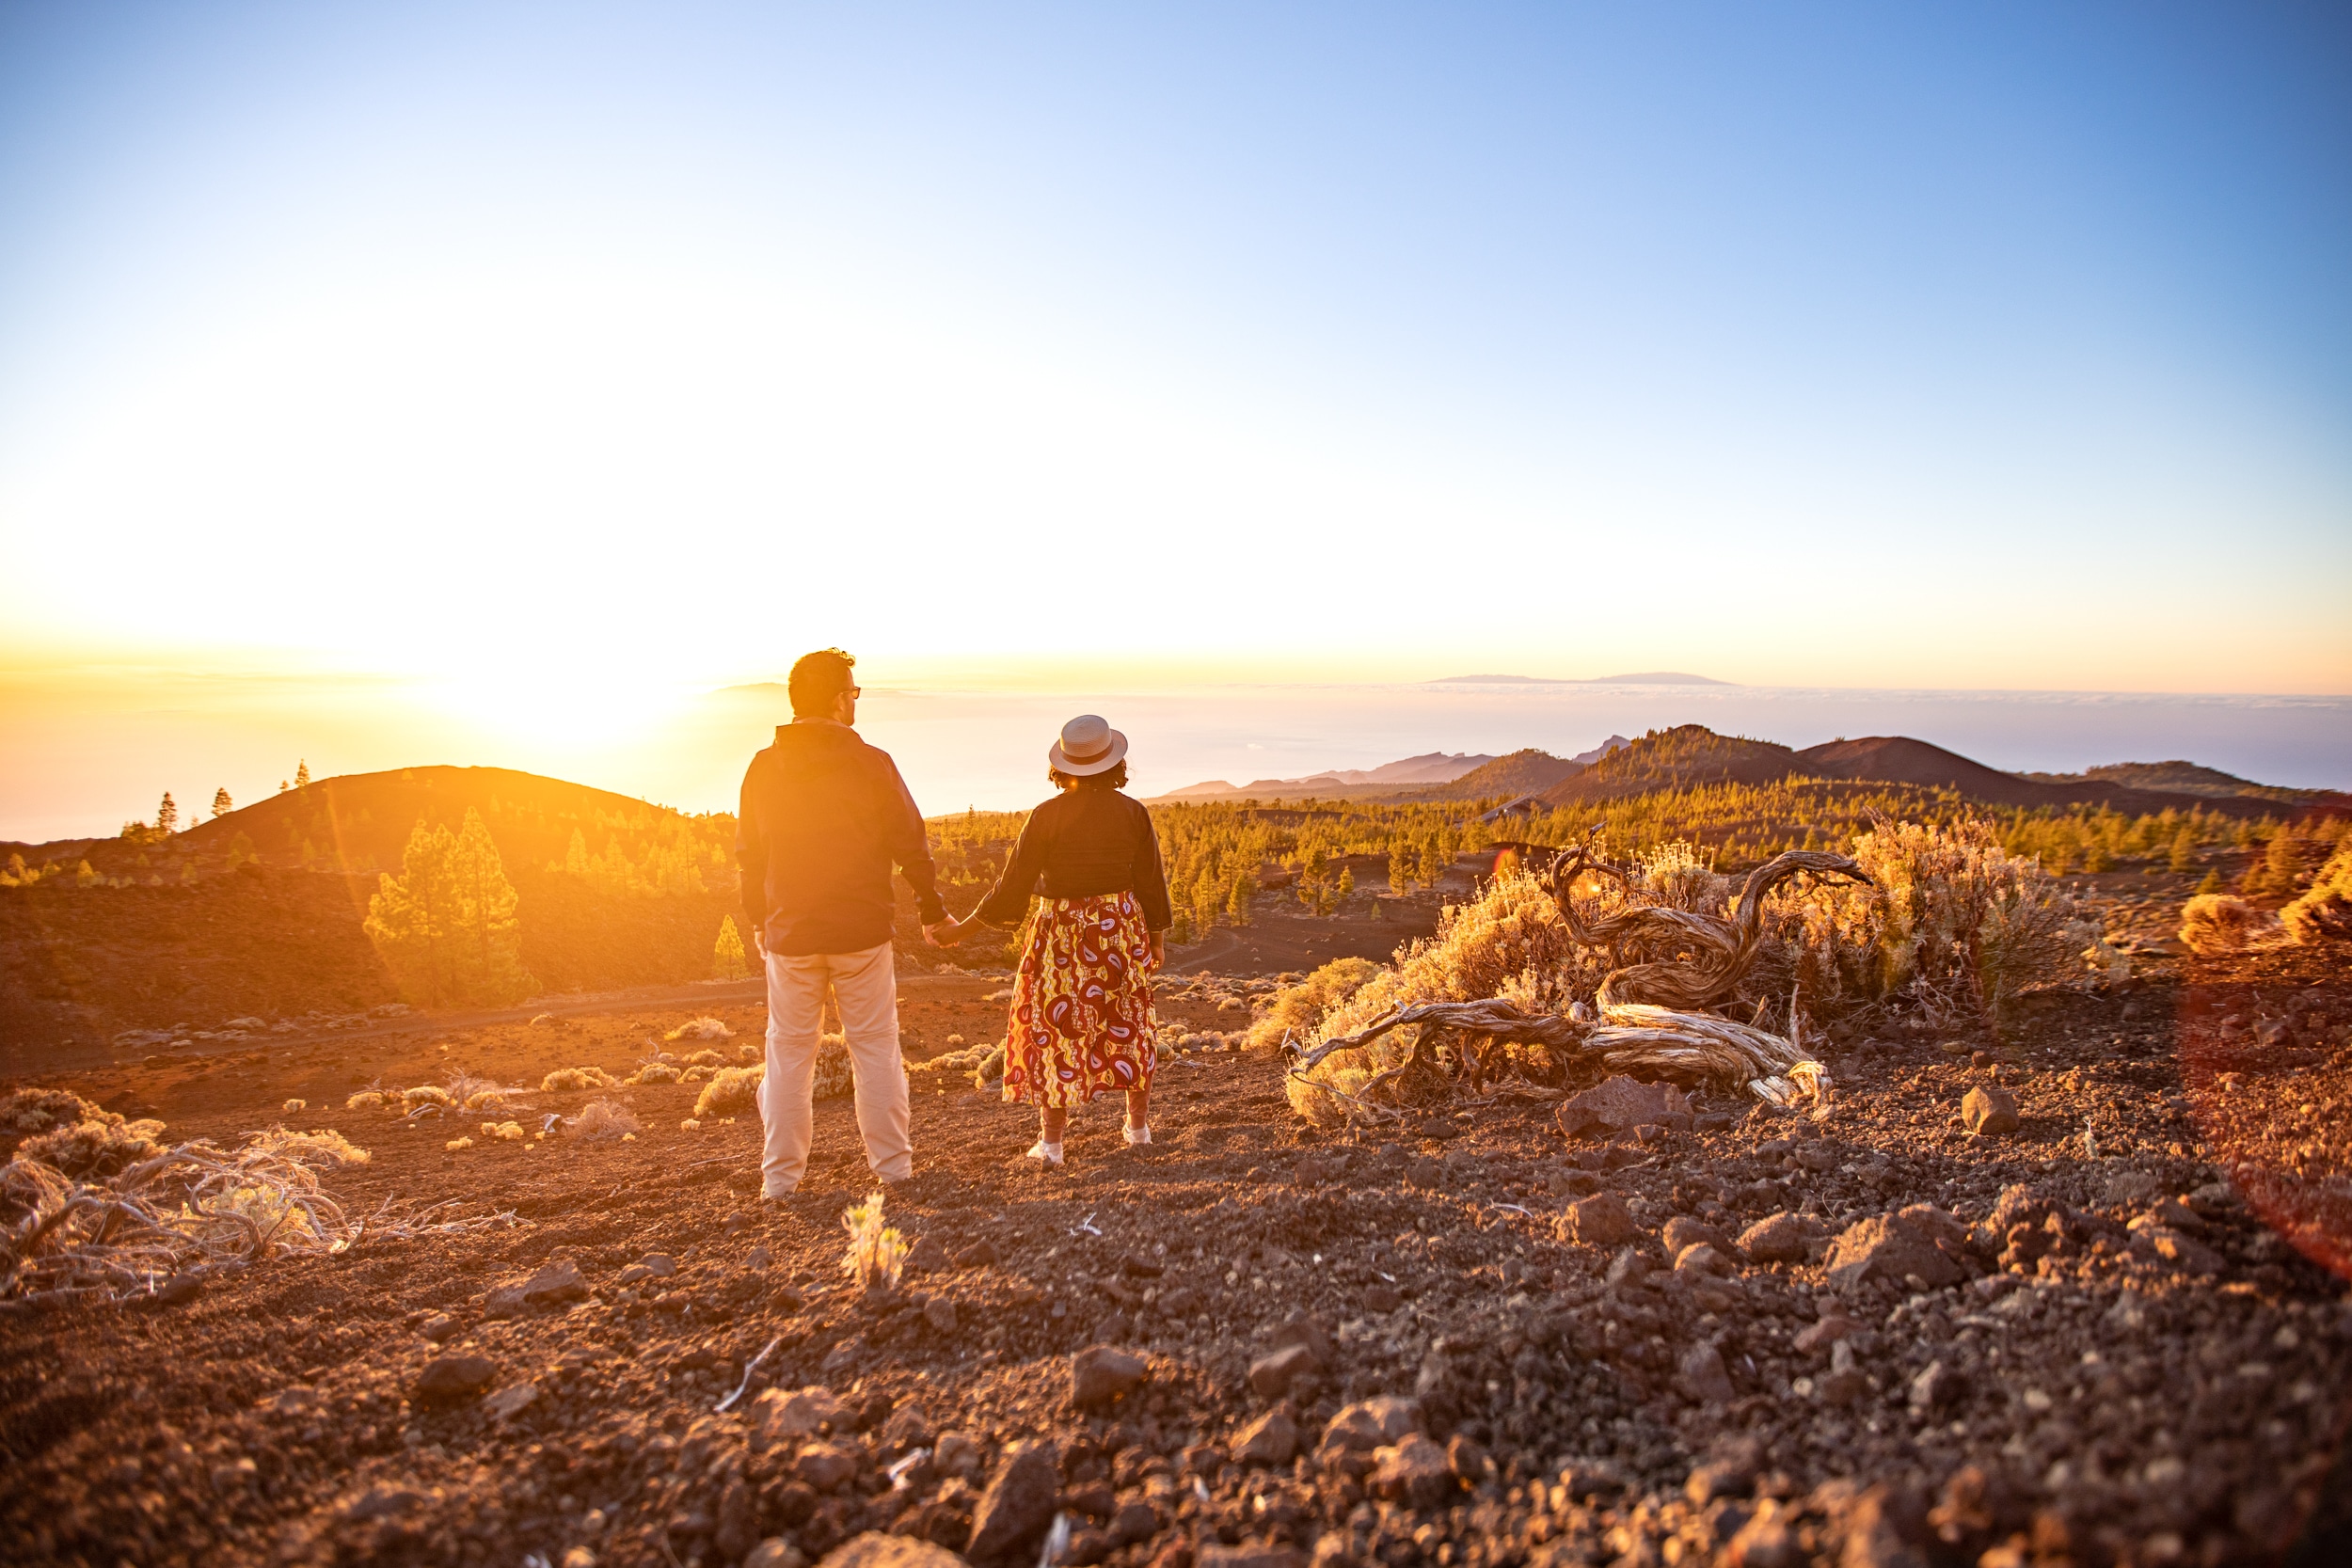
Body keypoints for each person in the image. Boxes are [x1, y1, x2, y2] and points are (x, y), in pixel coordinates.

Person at [736, 648, 955, 1198]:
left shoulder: (764, 766)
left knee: (788, 1054)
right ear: (837, 700)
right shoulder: (872, 763)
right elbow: (911, 841)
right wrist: (931, 907)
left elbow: (749, 856)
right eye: (853, 693)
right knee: (876, 1047)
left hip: (791, 935)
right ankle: (894, 1171)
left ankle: (779, 1182)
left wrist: (761, 921)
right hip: (861, 934)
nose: (855, 701)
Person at [933, 714, 1171, 1164]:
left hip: (1060, 933)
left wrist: (958, 932)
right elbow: (1151, 884)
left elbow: (1010, 890)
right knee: (1130, 1027)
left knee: (1054, 1031)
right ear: (1113, 763)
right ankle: (1138, 1131)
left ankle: (1052, 1145)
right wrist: (1155, 940)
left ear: (1064, 766)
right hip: (1118, 931)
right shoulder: (1133, 813)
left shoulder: (1046, 816)